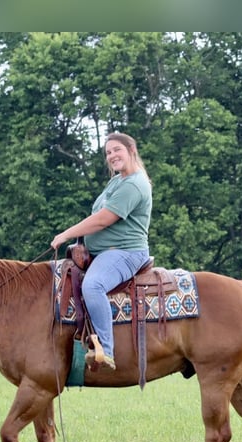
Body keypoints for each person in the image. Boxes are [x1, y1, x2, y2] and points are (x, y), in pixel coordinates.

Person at [51, 132, 152, 371]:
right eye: (108, 152)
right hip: (103, 252)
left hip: (125, 252)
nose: (112, 156)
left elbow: (103, 219)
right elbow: (97, 216)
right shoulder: (117, 181)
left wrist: (66, 233)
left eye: (117, 150)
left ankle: (105, 349)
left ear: (131, 150)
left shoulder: (135, 184)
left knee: (93, 285)